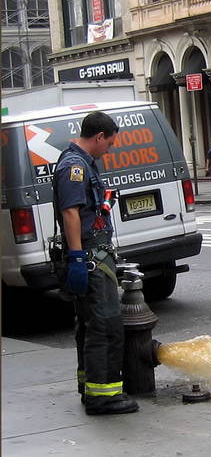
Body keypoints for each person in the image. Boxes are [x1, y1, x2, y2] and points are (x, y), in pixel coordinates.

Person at [52, 111, 139, 416]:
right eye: (110, 144)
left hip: (90, 254)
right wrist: (77, 258)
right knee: (105, 325)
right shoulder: (74, 166)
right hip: (89, 256)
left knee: (90, 324)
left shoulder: (80, 163)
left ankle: (88, 385)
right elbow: (71, 213)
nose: (109, 150)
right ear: (99, 136)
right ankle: (103, 396)